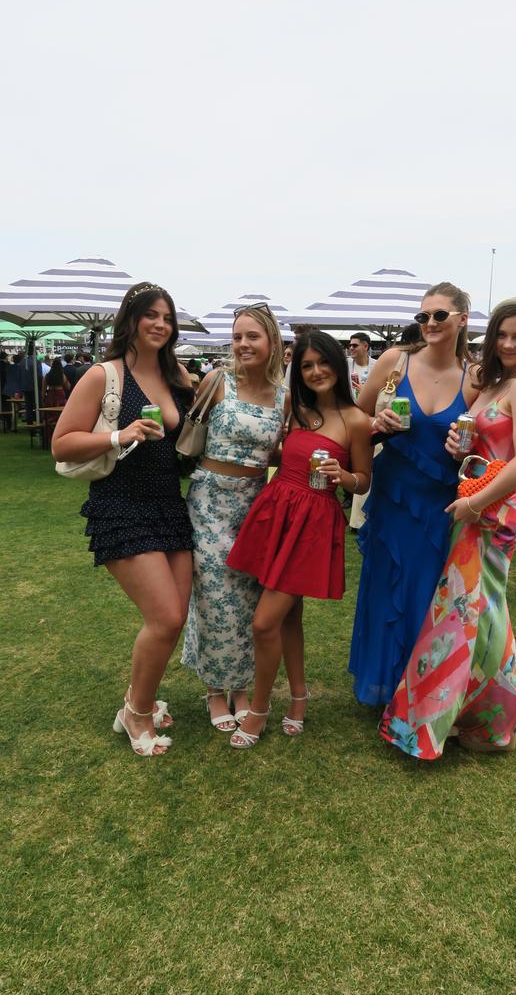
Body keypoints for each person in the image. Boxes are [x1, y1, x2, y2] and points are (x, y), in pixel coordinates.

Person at [379, 297, 516, 760]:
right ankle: (476, 714)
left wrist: (476, 503)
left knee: (475, 612)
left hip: (492, 513)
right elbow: (486, 446)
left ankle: (484, 720)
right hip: (475, 503)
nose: (510, 343)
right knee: (469, 612)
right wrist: (462, 447)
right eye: (503, 334)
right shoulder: (494, 384)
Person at [52, 282, 195, 758]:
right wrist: (120, 435)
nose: (160, 324)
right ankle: (135, 712)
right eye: (151, 315)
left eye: (167, 318)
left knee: (173, 621)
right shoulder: (103, 375)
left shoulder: (178, 375)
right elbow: (62, 443)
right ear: (130, 320)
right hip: (121, 504)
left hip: (170, 504)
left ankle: (143, 702)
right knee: (165, 616)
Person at [226, 330, 372, 748]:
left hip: (313, 525)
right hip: (278, 515)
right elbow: (277, 453)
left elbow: (363, 482)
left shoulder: (356, 419)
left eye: (323, 362)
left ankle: (258, 709)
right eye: (306, 366)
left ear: (338, 365)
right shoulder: (297, 412)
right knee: (288, 617)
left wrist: (343, 477)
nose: (315, 371)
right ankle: (300, 697)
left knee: (263, 621)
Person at [348, 281, 479, 706]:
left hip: (438, 504)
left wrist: (468, 449)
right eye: (423, 316)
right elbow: (354, 418)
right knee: (385, 590)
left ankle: (420, 689)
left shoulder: (474, 378)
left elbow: (485, 449)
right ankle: (384, 686)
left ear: (462, 319)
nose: (430, 323)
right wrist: (376, 424)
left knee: (426, 594)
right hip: (392, 498)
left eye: (440, 315)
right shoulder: (394, 363)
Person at [180, 304, 286, 732]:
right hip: (208, 501)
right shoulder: (215, 381)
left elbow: (279, 450)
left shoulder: (284, 394)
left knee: (246, 599)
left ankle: (239, 688)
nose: (242, 344)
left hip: (253, 506)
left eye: (252, 337)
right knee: (211, 598)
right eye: (237, 336)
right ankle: (212, 690)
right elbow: (189, 433)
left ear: (271, 342)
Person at [41, 357, 71, 445]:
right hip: (60, 394)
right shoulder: (62, 375)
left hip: (50, 395)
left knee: (49, 416)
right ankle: (60, 436)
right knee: (60, 416)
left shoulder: (47, 375)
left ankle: (49, 436)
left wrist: (43, 398)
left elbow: (43, 389)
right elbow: (68, 386)